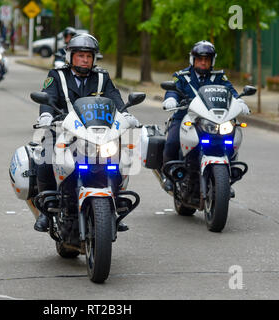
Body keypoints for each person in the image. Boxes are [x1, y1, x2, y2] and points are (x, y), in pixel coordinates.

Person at [33, 33, 140, 232]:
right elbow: (48, 97)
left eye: (89, 56)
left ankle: (114, 204)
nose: (85, 59)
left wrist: (126, 114)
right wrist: (46, 115)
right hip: (65, 129)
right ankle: (46, 211)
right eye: (80, 55)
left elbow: (115, 98)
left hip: (98, 131)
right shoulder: (57, 76)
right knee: (45, 155)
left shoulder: (102, 77)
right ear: (70, 56)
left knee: (119, 158)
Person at [161, 40, 250, 192]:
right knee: (172, 142)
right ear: (193, 59)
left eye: (207, 60)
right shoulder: (182, 76)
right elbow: (173, 89)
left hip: (213, 120)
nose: (203, 62)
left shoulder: (219, 77)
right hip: (186, 117)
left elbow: (231, 92)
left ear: (212, 61)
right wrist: (170, 99)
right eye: (200, 59)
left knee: (230, 141)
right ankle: (168, 176)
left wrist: (239, 101)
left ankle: (225, 179)